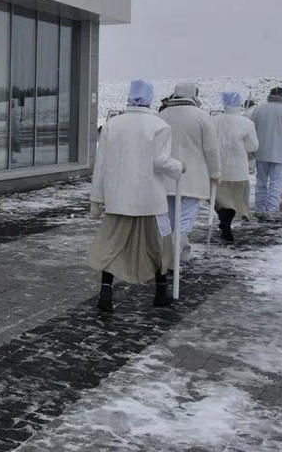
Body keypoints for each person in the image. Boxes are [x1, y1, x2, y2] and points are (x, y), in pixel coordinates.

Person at [88, 79, 185, 312]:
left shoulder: (112, 125)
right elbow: (160, 161)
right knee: (161, 245)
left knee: (111, 245)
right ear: (150, 99)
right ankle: (160, 293)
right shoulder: (159, 126)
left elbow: (100, 166)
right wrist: (178, 167)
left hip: (118, 200)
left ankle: (106, 294)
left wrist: (97, 198)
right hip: (152, 201)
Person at [158, 82, 220, 265]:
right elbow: (211, 149)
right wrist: (215, 173)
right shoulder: (201, 117)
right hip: (194, 178)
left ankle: (171, 253)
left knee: (170, 218)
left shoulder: (162, 115)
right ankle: (178, 253)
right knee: (186, 218)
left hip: (167, 175)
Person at [212, 90, 258, 242]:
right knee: (235, 199)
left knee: (220, 198)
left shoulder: (213, 120)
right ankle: (227, 221)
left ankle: (223, 220)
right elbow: (253, 146)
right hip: (238, 169)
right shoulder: (247, 123)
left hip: (218, 167)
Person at [249, 87, 282, 220]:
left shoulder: (259, 110)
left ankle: (260, 208)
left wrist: (251, 149)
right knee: (276, 182)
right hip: (280, 152)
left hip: (261, 151)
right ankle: (272, 209)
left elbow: (251, 129)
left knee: (261, 181)